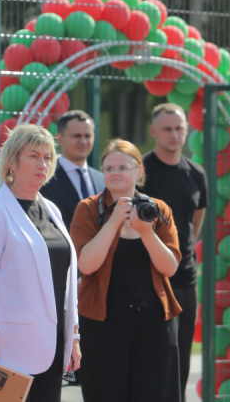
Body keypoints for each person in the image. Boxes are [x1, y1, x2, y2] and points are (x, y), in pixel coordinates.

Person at [0, 124, 80, 402]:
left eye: (48, 157)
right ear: (12, 162)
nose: (43, 163)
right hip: (7, 350)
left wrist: (74, 336)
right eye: (33, 156)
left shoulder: (52, 210)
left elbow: (65, 283)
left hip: (53, 345)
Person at [70, 139, 182, 402]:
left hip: (154, 324)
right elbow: (86, 265)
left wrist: (146, 232)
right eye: (109, 168)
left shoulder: (157, 209)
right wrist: (113, 222)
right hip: (103, 325)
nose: (115, 173)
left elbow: (169, 267)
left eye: (123, 167)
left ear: (139, 171)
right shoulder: (89, 209)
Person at [141, 103, 207, 401]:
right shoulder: (141, 172)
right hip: (147, 279)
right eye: (167, 129)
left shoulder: (196, 173)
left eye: (179, 128)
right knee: (150, 360)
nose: (174, 134)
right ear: (153, 131)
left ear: (187, 130)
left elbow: (195, 222)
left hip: (185, 280)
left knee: (180, 359)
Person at [40, 110, 105, 229]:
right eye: (77, 136)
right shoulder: (45, 178)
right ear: (59, 138)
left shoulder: (102, 180)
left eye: (87, 136)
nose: (83, 142)